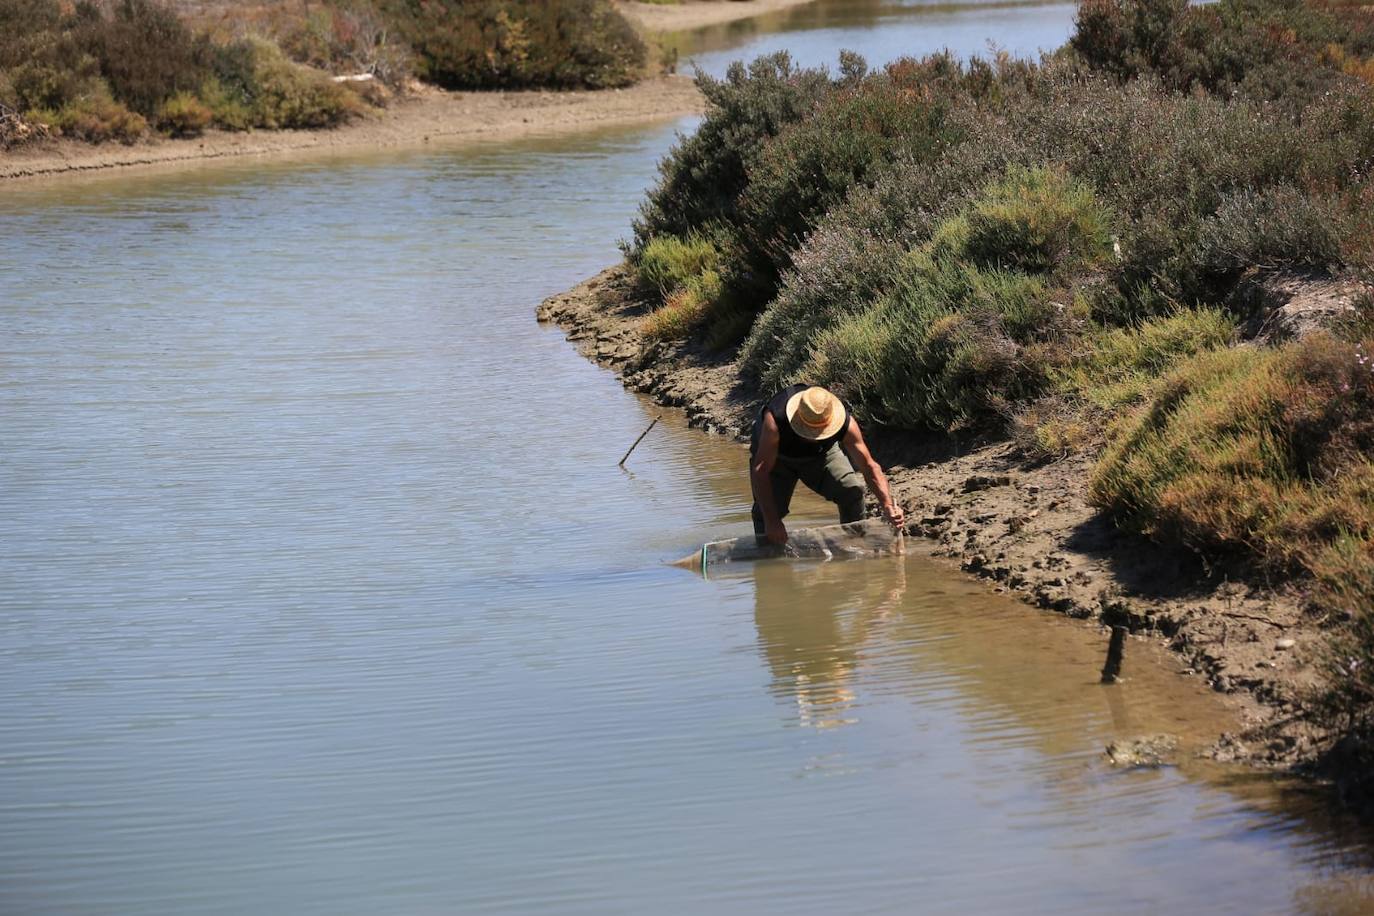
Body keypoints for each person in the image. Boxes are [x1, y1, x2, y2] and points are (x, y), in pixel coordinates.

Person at [749, 384, 905, 545]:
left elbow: (869, 466)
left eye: (820, 432)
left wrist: (887, 505)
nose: (815, 436)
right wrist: (772, 522)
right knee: (765, 513)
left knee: (851, 490)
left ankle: (853, 544)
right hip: (777, 459)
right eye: (809, 432)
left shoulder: (844, 423)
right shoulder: (774, 422)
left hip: (821, 455)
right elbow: (761, 471)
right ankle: (769, 557)